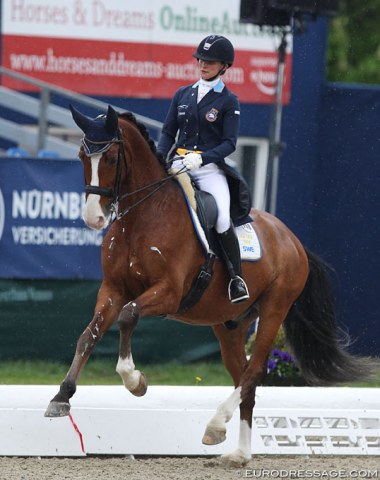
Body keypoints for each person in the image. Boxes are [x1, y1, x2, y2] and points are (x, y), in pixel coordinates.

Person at [157, 34, 250, 304]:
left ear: (224, 66)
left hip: (208, 169)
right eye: (201, 59)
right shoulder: (182, 94)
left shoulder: (228, 101)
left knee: (221, 217)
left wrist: (203, 158)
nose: (203, 64)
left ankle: (236, 278)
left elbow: (229, 144)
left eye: (210, 61)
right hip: (177, 165)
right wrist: (160, 156)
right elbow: (167, 131)